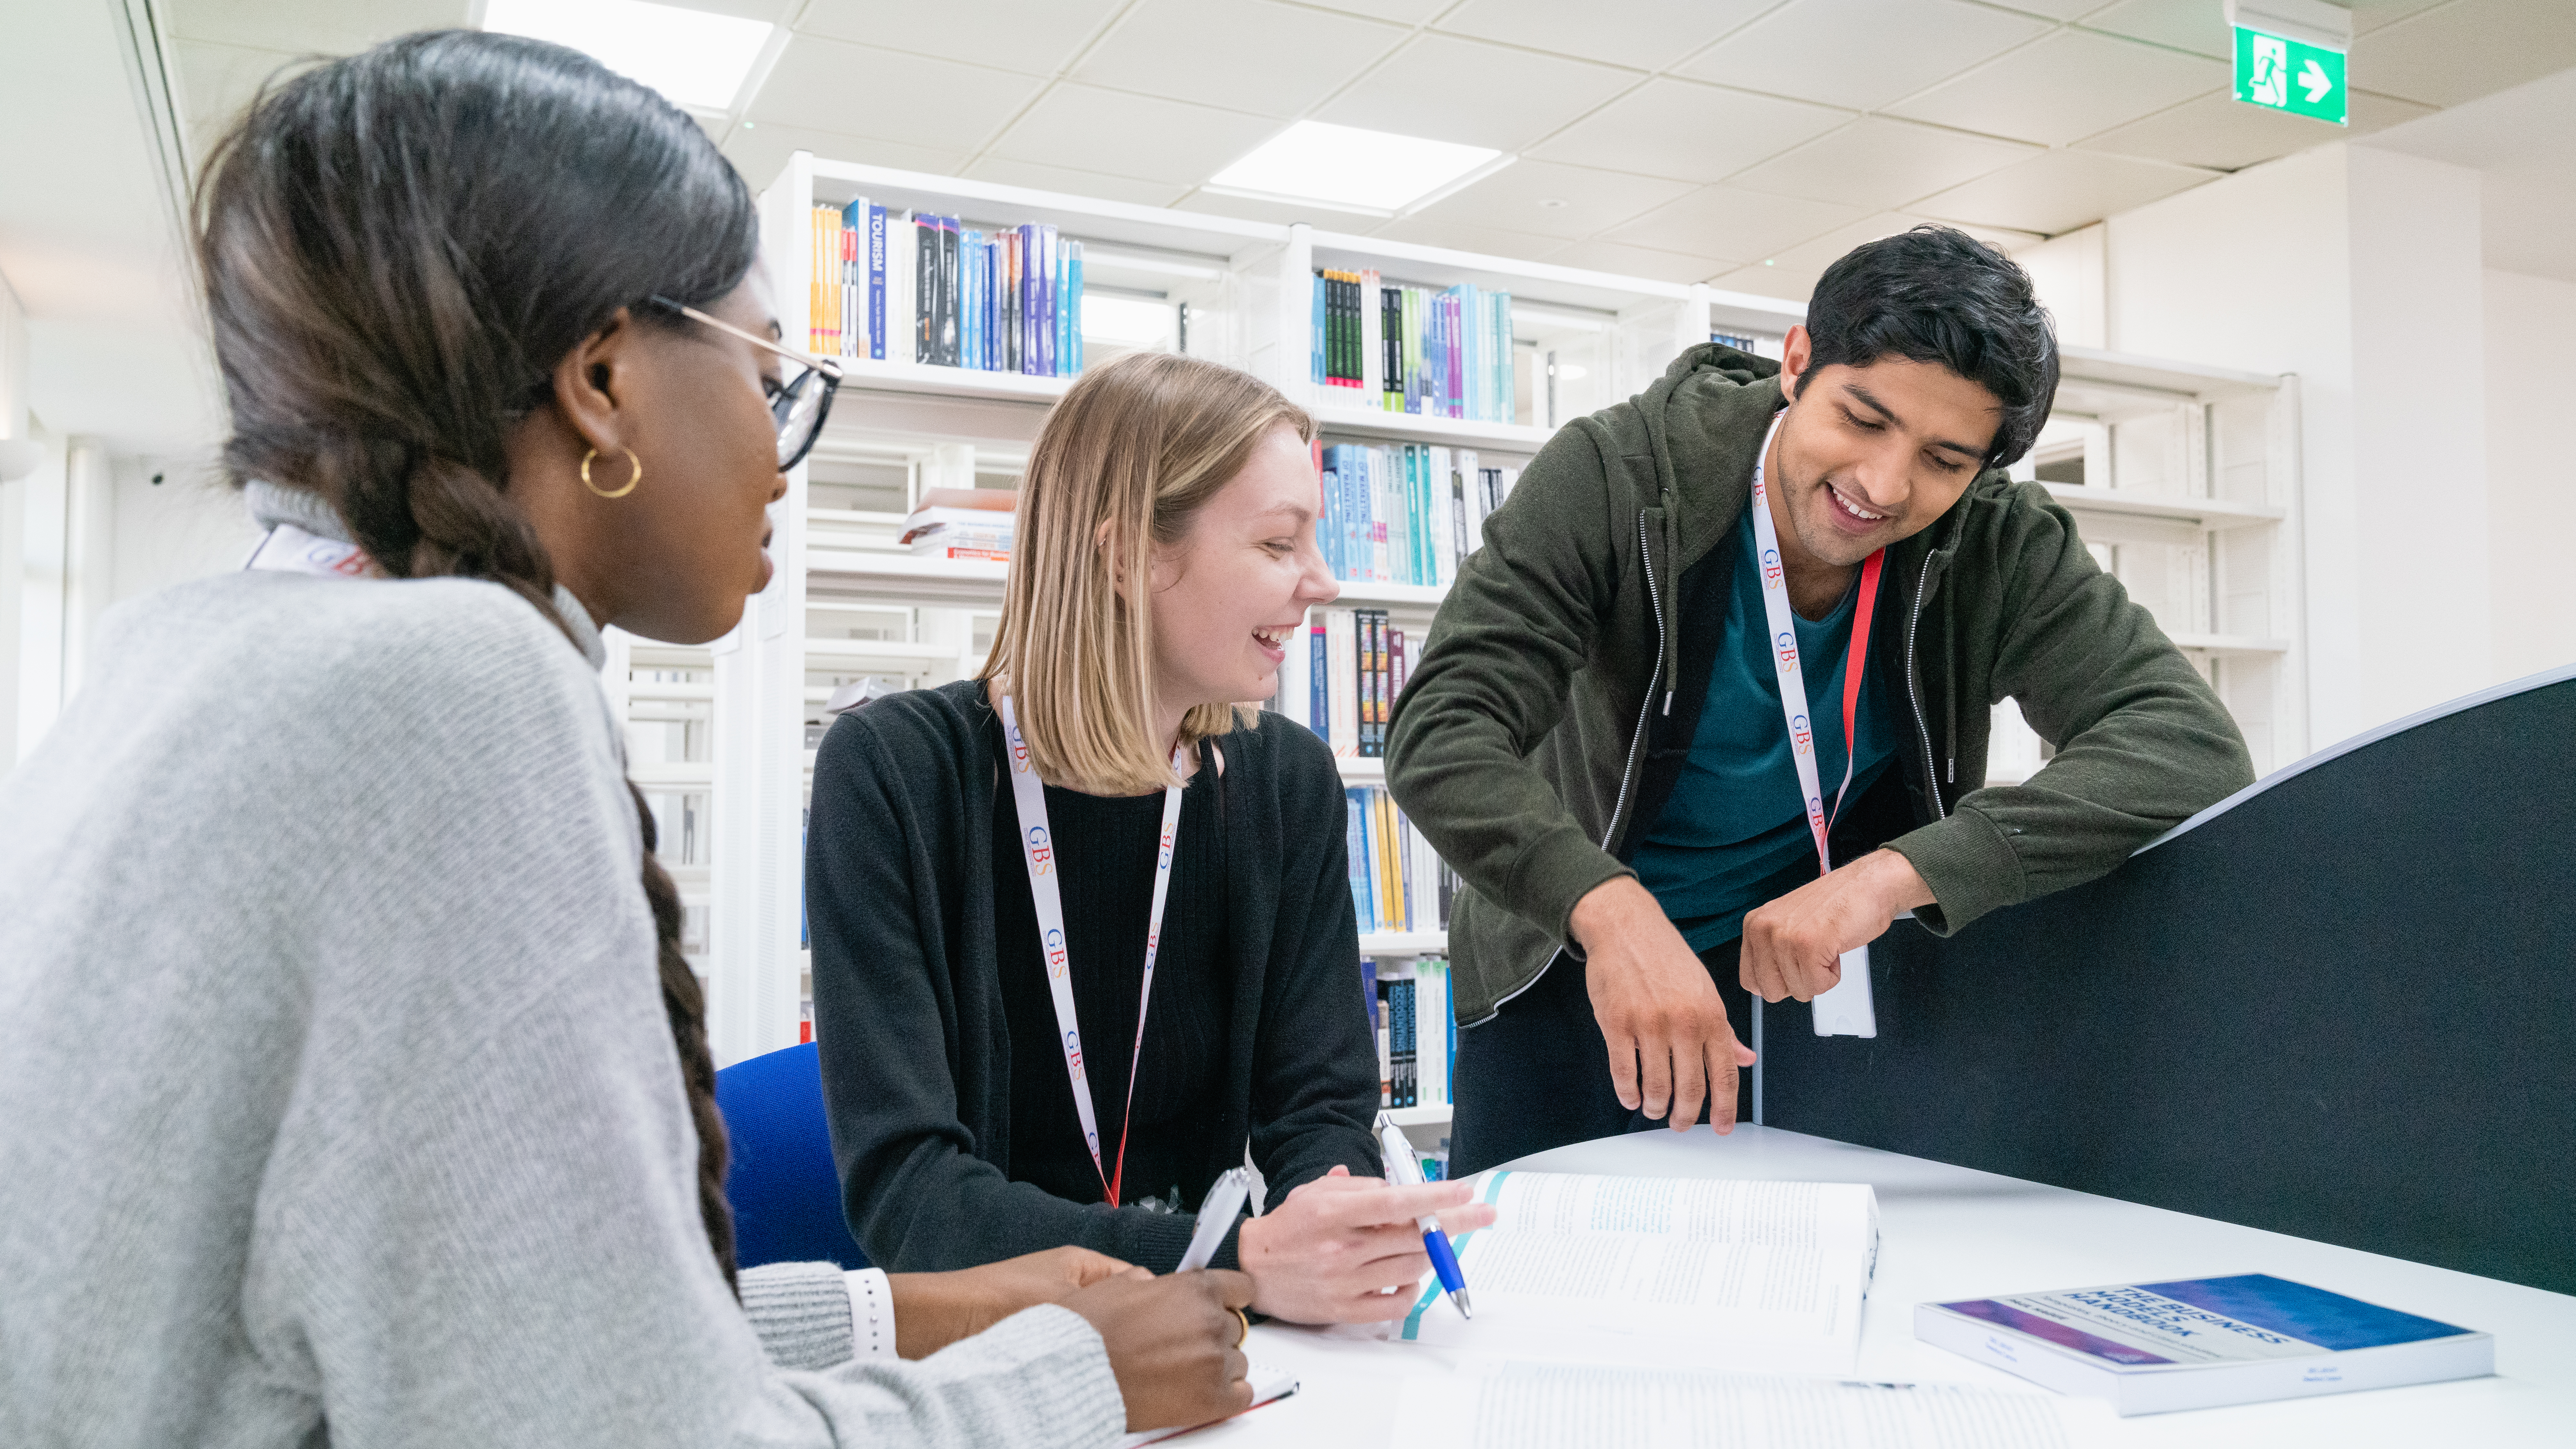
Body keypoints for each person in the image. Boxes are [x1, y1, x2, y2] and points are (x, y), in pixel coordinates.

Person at [0, 31, 1257, 1448]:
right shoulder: (446, 691)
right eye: (765, 375)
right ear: (601, 379)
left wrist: (904, 1312)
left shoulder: (203, 650)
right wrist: (1068, 1380)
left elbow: (510, 1337)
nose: (781, 451)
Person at [1386, 226, 2256, 1176]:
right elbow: (1445, 728)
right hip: (1574, 955)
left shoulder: (1999, 538)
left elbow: (2186, 744)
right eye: (1864, 418)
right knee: (1529, 1284)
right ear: (1798, 362)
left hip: (1809, 981)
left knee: (1800, 1286)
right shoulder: (1618, 473)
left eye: (1945, 459)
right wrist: (1607, 910)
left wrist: (1896, 875)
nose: (1884, 485)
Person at [807, 352, 1492, 1324]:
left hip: (1206, 1336)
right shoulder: (895, 775)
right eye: (1276, 545)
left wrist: (1334, 1211)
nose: (1322, 584)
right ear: (1128, 557)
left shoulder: (1282, 782)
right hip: (985, 1339)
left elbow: (1316, 1111)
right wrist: (1230, 1263)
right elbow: (909, 1196)